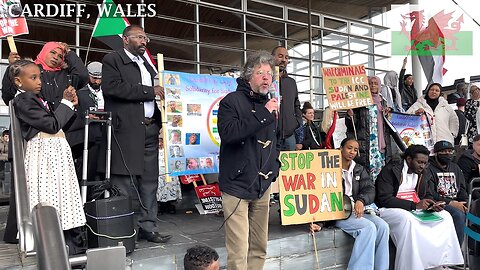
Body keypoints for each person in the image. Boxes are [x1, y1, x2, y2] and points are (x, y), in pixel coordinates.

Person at [101, 25, 171, 243]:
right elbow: (112, 88)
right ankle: (123, 228)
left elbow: (158, 93)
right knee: (123, 182)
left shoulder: (147, 64)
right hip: (126, 131)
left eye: (145, 38)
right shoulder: (112, 60)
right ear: (125, 40)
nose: (144, 41)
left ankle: (148, 227)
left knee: (150, 182)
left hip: (149, 129)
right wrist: (149, 91)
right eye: (139, 37)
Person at [218, 50, 279, 270]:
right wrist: (263, 113)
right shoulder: (231, 102)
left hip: (262, 186)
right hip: (237, 186)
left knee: (259, 246)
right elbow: (229, 133)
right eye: (260, 72)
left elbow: (276, 140)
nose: (266, 77)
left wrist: (275, 168)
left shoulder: (271, 104)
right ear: (247, 77)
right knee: (239, 249)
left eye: (269, 74)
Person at [10, 59, 85, 232]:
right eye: (33, 78)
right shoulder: (24, 100)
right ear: (18, 81)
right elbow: (51, 125)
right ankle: (48, 230)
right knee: (47, 191)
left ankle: (60, 228)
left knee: (58, 191)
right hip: (44, 154)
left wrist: (69, 106)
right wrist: (65, 103)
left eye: (39, 78)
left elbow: (57, 122)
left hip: (54, 151)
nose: (39, 82)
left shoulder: (36, 98)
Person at [375, 144, 464, 270]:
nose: (422, 166)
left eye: (425, 163)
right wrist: (414, 205)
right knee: (409, 220)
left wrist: (431, 204)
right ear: (409, 159)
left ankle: (438, 263)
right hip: (391, 209)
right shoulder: (391, 170)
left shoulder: (423, 172)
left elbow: (426, 194)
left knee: (445, 216)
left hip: (415, 206)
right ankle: (412, 266)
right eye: (419, 162)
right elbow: (385, 199)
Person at [310, 138, 389, 270]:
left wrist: (361, 200)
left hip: (356, 210)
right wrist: (320, 222)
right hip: (338, 213)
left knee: (383, 226)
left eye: (355, 149)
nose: (352, 152)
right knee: (368, 228)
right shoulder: (328, 168)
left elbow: (369, 189)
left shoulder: (358, 169)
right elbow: (321, 195)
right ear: (341, 148)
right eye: (349, 148)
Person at [2, 42, 88, 108]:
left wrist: (69, 53)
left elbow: (83, 76)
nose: (55, 57)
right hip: (33, 126)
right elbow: (8, 97)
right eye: (52, 52)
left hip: (60, 126)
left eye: (60, 56)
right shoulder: (28, 70)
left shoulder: (66, 76)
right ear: (44, 52)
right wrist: (12, 68)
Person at [346, 76, 393, 182]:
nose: (373, 86)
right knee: (366, 174)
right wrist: (350, 116)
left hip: (380, 144)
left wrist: (389, 113)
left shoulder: (383, 102)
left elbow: (389, 125)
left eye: (375, 83)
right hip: (367, 143)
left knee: (382, 174)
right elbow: (352, 125)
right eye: (370, 83)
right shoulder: (360, 102)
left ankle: (379, 196)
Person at [65, 61, 105, 184]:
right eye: (94, 78)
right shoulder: (81, 93)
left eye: (100, 79)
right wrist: (85, 116)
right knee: (88, 171)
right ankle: (85, 199)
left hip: (106, 136)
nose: (97, 82)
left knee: (104, 171)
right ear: (88, 75)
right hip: (89, 138)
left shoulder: (107, 92)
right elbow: (75, 114)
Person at [425, 141, 468, 245]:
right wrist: (450, 203)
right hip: (438, 203)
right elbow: (431, 193)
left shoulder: (455, 167)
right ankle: (457, 250)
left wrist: (465, 203)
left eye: (450, 151)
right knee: (458, 215)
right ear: (436, 153)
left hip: (457, 202)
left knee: (470, 210)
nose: (447, 154)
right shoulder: (428, 169)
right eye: (443, 151)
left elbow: (462, 188)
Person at [272, 46, 302, 151]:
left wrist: (297, 122)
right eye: (280, 56)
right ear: (272, 58)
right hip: (271, 135)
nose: (284, 60)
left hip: (289, 135)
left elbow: (296, 104)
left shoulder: (291, 82)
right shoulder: (266, 80)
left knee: (291, 167)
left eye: (286, 57)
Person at [156, 134, 181, 215]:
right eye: (158, 142)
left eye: (161, 142)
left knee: (171, 188)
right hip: (159, 173)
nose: (160, 144)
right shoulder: (155, 151)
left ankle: (171, 206)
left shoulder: (170, 150)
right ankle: (161, 206)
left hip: (170, 173)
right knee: (160, 190)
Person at [457, 134, 480, 200]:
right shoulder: (465, 160)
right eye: (479, 145)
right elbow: (463, 182)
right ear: (473, 145)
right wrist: (475, 194)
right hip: (473, 194)